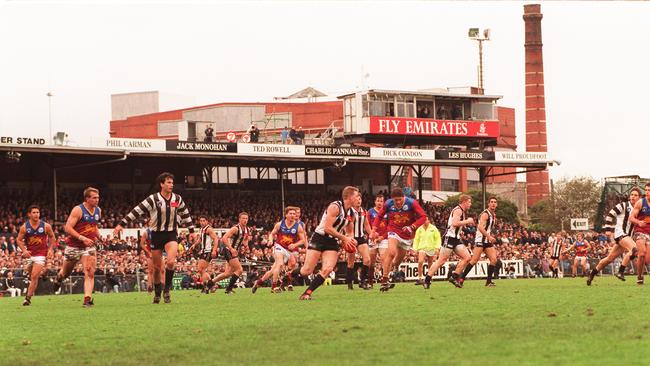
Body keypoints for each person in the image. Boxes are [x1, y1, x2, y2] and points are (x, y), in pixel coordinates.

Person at [114, 172, 195, 304]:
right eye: (168, 182)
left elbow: (185, 213)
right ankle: (157, 293)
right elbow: (137, 210)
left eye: (172, 182)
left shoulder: (177, 199)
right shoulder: (153, 199)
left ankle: (167, 290)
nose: (171, 185)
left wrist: (191, 230)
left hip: (171, 234)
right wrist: (121, 224)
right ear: (161, 184)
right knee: (157, 268)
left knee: (171, 262)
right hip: (156, 235)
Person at [299, 186, 359, 300]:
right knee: (306, 271)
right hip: (319, 237)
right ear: (349, 197)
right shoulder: (335, 207)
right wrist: (344, 238)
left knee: (328, 269)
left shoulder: (352, 213)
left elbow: (350, 232)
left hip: (332, 241)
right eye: (356, 196)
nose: (358, 198)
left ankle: (307, 293)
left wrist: (351, 239)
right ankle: (291, 273)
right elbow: (327, 228)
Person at [51, 187, 101, 307]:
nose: (97, 200)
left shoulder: (98, 210)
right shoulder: (78, 210)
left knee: (89, 272)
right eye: (94, 198)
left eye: (98, 197)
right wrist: (82, 238)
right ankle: (59, 278)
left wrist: (99, 237)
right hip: (74, 246)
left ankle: (87, 299)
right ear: (87, 198)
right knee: (66, 273)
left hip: (89, 247)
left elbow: (94, 226)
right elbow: (67, 228)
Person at [370, 187, 426, 292]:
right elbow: (379, 216)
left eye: (400, 199)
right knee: (391, 253)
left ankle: (393, 269)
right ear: (392, 199)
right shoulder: (388, 204)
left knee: (397, 261)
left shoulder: (412, 203)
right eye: (396, 200)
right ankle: (384, 280)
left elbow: (423, 216)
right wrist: (373, 230)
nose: (398, 202)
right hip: (393, 230)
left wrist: (412, 226)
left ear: (404, 197)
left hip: (407, 234)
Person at [587, 187, 640, 285]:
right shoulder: (624, 205)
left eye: (635, 195)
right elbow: (610, 215)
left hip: (627, 237)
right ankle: (620, 271)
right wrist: (608, 229)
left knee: (609, 259)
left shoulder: (639, 209)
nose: (633, 196)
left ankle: (592, 274)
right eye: (632, 194)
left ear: (639, 197)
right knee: (634, 249)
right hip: (621, 234)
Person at [423, 194, 474, 289]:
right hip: (449, 238)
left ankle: (454, 276)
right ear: (464, 202)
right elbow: (455, 223)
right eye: (469, 202)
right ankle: (427, 280)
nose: (470, 204)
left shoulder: (461, 211)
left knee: (467, 257)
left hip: (456, 238)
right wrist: (467, 221)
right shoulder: (458, 210)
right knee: (441, 260)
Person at [253, 207, 306, 293]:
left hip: (289, 250)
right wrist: (270, 240)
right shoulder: (279, 224)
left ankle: (259, 282)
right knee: (280, 264)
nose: (293, 215)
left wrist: (295, 245)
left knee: (273, 270)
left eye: (294, 214)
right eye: (291, 213)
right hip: (279, 247)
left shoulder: (298, 226)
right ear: (286, 215)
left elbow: (303, 240)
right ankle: (274, 287)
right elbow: (272, 234)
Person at [16, 205, 56, 306]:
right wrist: (24, 250)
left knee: (34, 276)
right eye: (34, 212)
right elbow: (18, 240)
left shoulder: (46, 226)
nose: (36, 214)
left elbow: (52, 237)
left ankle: (27, 299)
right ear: (29, 214)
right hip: (29, 254)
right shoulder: (24, 227)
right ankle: (43, 274)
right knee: (32, 276)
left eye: (38, 212)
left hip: (41, 254)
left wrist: (50, 249)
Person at [458, 197, 499, 287]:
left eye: (495, 202)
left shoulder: (493, 215)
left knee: (494, 260)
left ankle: (488, 282)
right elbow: (480, 227)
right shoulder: (485, 214)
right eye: (491, 202)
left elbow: (488, 228)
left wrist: (490, 236)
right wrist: (489, 236)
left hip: (487, 240)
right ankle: (461, 279)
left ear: (497, 204)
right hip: (480, 240)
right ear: (488, 204)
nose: (493, 204)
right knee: (474, 260)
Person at [213, 212, 250, 294]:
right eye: (243, 218)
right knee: (239, 270)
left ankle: (210, 283)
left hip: (234, 251)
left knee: (227, 273)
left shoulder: (246, 229)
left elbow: (245, 239)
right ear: (239, 219)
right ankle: (228, 289)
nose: (245, 220)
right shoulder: (235, 228)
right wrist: (231, 248)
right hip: (228, 250)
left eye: (246, 218)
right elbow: (224, 238)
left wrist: (246, 246)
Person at [346, 194, 374, 290]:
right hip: (352, 238)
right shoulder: (350, 211)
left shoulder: (363, 211)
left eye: (360, 199)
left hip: (361, 237)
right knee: (351, 262)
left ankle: (362, 281)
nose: (359, 200)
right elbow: (349, 225)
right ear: (352, 201)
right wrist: (351, 238)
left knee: (367, 260)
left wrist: (371, 235)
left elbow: (366, 225)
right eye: (357, 199)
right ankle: (350, 283)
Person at [189, 215, 219, 294]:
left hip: (208, 251)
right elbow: (200, 239)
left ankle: (208, 286)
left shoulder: (209, 229)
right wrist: (194, 245)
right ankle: (211, 285)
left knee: (200, 269)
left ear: (207, 221)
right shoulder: (202, 229)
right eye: (201, 221)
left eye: (203, 221)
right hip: (203, 251)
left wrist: (214, 250)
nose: (202, 222)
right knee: (201, 270)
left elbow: (216, 239)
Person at [628, 182, 650, 285]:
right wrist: (638, 222)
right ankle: (640, 277)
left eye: (649, 190)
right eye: (646, 190)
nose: (647, 192)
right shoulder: (641, 202)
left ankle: (634, 252)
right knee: (642, 253)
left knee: (646, 260)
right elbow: (631, 218)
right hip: (640, 231)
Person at [412, 216, 441, 285]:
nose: (425, 221)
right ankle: (420, 278)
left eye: (426, 220)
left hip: (431, 248)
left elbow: (438, 238)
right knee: (420, 261)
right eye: (423, 220)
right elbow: (416, 239)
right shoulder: (419, 229)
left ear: (429, 220)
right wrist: (415, 249)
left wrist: (437, 248)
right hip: (422, 248)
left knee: (430, 263)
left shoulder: (433, 228)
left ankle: (429, 278)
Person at [367, 194, 388, 288]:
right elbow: (366, 225)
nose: (379, 203)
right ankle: (370, 282)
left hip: (383, 239)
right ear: (375, 202)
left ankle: (384, 281)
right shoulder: (370, 212)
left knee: (384, 260)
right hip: (372, 239)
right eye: (378, 201)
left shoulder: (387, 212)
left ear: (383, 203)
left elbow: (390, 227)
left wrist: (382, 237)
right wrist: (373, 235)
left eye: (381, 201)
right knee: (371, 262)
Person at [139, 222, 165, 292]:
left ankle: (163, 285)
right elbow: (141, 244)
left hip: (159, 252)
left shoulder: (160, 231)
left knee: (162, 269)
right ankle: (150, 286)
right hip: (150, 252)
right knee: (151, 270)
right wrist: (148, 252)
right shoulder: (146, 232)